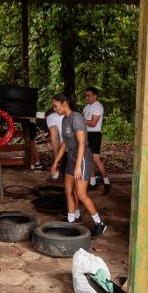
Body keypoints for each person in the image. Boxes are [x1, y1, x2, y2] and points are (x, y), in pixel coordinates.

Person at [51, 93, 106, 237]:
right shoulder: (64, 120)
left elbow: (82, 143)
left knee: (80, 194)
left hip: (82, 158)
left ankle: (99, 223)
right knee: (68, 190)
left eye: (55, 106)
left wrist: (77, 166)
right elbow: (65, 143)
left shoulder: (77, 118)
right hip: (71, 157)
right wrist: (56, 161)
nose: (54, 109)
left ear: (64, 104)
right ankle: (71, 222)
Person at [83, 87, 111, 193]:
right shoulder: (87, 107)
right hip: (86, 134)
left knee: (96, 160)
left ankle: (107, 182)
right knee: (88, 159)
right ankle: (93, 182)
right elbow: (85, 120)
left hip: (94, 135)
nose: (87, 97)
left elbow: (93, 123)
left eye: (89, 95)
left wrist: (82, 120)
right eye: (86, 95)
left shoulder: (98, 106)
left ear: (95, 96)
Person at [45, 107, 64, 180]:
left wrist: (56, 157)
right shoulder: (71, 113)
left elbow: (54, 137)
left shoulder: (51, 117)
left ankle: (56, 175)